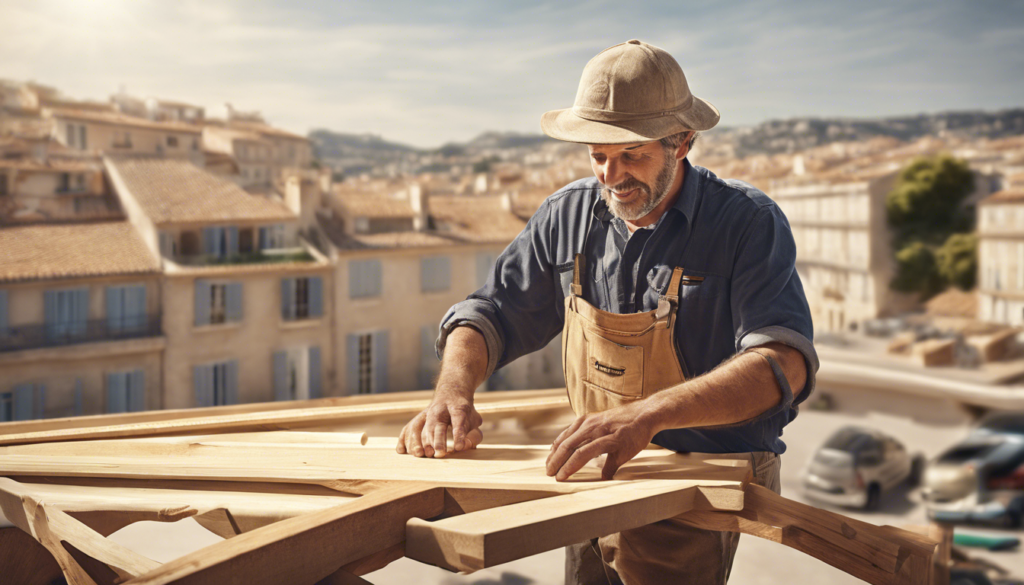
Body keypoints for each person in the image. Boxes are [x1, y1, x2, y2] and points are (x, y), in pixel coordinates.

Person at [396, 39, 817, 585]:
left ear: (682, 142)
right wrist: (452, 390)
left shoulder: (747, 223)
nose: (611, 176)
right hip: (595, 469)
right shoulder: (565, 215)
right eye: (598, 155)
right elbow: (490, 312)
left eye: (632, 155)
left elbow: (783, 363)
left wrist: (648, 416)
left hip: (699, 476)